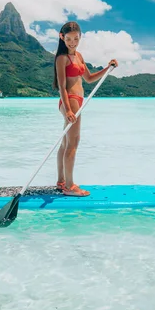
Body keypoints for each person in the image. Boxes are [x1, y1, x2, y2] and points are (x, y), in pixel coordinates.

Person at [53, 21, 118, 196]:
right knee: (73, 144)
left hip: (76, 101)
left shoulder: (79, 56)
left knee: (65, 143)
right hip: (71, 101)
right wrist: (68, 110)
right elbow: (61, 86)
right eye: (68, 39)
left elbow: (88, 78)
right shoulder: (62, 58)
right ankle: (69, 186)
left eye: (75, 39)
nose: (72, 42)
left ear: (80, 37)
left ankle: (61, 182)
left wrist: (107, 69)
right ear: (62, 37)